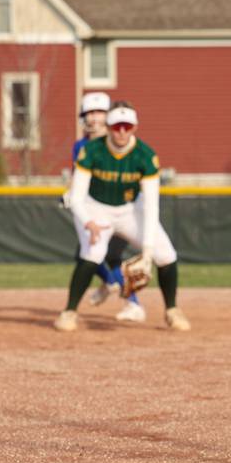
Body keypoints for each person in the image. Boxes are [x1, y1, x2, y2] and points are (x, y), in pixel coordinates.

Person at [54, 104, 189, 333]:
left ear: (135, 127)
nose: (122, 132)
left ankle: (172, 310)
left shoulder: (145, 156)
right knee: (92, 253)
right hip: (96, 208)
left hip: (130, 209)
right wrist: (89, 222)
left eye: (127, 127)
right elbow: (76, 197)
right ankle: (69, 312)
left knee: (166, 254)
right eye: (117, 127)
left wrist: (147, 253)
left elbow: (151, 205)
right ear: (108, 127)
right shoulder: (93, 151)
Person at [70, 93, 144, 323]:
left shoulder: (121, 142)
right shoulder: (81, 146)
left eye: (98, 112)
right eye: (89, 113)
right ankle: (114, 286)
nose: (93, 118)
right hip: (96, 210)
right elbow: (78, 177)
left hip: (124, 208)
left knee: (111, 255)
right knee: (88, 256)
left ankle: (129, 300)